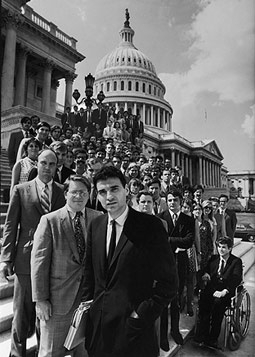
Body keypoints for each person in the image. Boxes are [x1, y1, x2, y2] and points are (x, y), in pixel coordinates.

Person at [82, 166, 178, 357]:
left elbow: (169, 284)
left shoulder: (150, 226)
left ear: (126, 190)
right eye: (102, 192)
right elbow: (89, 274)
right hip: (99, 333)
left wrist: (140, 316)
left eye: (114, 189)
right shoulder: (96, 225)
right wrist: (88, 309)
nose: (108, 196)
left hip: (135, 333)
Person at [0, 149, 65, 357]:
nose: (47, 168)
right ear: (37, 164)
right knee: (20, 317)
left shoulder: (63, 191)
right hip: (26, 260)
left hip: (54, 261)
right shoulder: (21, 190)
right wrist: (6, 258)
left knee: (45, 316)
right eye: (44, 163)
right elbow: (10, 226)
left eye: (52, 164)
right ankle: (16, 354)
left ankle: (42, 352)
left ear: (57, 167)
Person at [31, 175, 101, 357]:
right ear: (65, 194)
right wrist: (40, 299)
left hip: (88, 302)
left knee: (85, 351)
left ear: (89, 195)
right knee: (51, 352)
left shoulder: (98, 218)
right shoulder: (50, 220)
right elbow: (39, 263)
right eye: (74, 192)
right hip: (57, 303)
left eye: (83, 192)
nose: (79, 196)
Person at [158, 190, 195, 347]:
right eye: (170, 200)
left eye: (175, 200)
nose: (172, 202)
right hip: (163, 264)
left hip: (180, 263)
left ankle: (175, 331)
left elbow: (188, 241)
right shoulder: (160, 218)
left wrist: (169, 240)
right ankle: (163, 336)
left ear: (181, 201)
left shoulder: (188, 220)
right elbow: (158, 240)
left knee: (176, 300)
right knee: (163, 301)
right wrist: (175, 243)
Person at [194, 236, 243, 349]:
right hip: (212, 289)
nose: (221, 250)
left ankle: (212, 339)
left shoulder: (236, 262)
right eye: (219, 247)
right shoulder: (214, 258)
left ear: (230, 248)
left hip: (225, 292)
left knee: (217, 306)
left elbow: (236, 279)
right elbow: (205, 269)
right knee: (203, 304)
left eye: (224, 247)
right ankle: (202, 335)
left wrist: (224, 291)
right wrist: (205, 274)